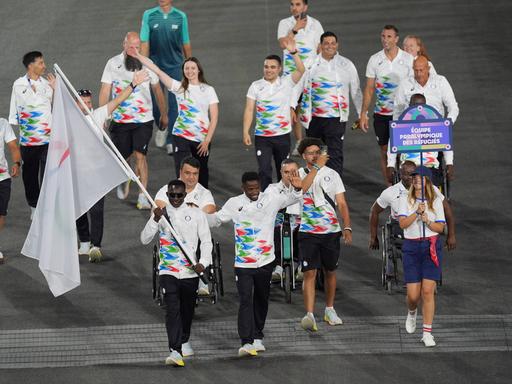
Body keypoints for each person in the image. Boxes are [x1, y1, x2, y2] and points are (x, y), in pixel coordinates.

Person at [208, 171, 302, 356]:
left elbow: (292, 199)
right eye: (250, 189)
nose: (254, 192)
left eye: (256, 188)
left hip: (266, 262)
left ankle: (257, 336)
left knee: (261, 299)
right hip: (243, 264)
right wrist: (197, 215)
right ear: (243, 188)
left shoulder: (271, 199)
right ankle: (246, 341)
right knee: (245, 300)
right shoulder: (234, 203)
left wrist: (298, 188)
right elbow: (217, 219)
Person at [76, 70, 150, 262]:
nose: (88, 104)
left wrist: (133, 85)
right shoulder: (71, 120)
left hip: (96, 173)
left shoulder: (98, 115)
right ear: (76, 103)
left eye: (89, 101)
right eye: (83, 101)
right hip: (77, 174)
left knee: (97, 210)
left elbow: (117, 101)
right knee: (79, 210)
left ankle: (96, 245)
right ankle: (84, 241)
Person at [141, 179, 212, 366]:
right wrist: (155, 219)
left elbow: (206, 242)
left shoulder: (196, 214)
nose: (175, 198)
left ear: (185, 194)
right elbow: (144, 239)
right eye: (172, 195)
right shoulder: (161, 214)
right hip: (168, 271)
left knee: (187, 310)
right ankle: (175, 350)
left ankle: (184, 338)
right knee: (172, 309)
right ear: (167, 195)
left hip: (190, 272)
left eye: (179, 195)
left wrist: (203, 263)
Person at [130, 51, 219, 188]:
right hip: (181, 135)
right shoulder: (179, 87)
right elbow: (158, 71)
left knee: (202, 175)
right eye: (186, 68)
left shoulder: (208, 90)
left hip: (202, 139)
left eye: (193, 68)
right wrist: (138, 56)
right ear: (183, 71)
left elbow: (214, 118)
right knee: (182, 172)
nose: (190, 71)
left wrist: (207, 140)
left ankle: (201, 206)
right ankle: (182, 204)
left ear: (199, 70)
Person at [99, 32, 167, 210]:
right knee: (123, 158)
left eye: (138, 47)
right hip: (120, 121)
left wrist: (164, 114)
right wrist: (103, 113)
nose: (134, 51)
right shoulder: (113, 63)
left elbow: (158, 90)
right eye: (131, 47)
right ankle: (125, 175)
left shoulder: (147, 64)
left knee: (141, 156)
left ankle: (143, 196)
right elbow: (105, 90)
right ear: (124, 44)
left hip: (143, 120)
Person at [296, 138, 352, 331]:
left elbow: (342, 203)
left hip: (330, 231)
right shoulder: (299, 174)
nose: (314, 155)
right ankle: (309, 314)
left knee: (330, 271)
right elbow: (302, 188)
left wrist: (347, 227)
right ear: (304, 156)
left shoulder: (333, 174)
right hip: (308, 231)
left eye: (317, 152)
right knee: (309, 273)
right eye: (310, 153)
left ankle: (329, 309)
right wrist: (317, 169)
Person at [294, 31, 362, 178]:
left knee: (335, 155)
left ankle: (335, 192)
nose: (330, 46)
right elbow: (298, 86)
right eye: (326, 43)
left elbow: (356, 91)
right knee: (313, 155)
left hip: (336, 118)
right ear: (321, 45)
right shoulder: (310, 64)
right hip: (314, 118)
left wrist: (362, 114)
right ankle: (314, 188)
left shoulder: (346, 64)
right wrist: (291, 107)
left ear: (337, 45)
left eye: (333, 43)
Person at [243, 39, 306, 191]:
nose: (268, 70)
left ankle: (283, 205)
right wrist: (245, 131)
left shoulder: (286, 82)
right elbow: (249, 109)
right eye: (266, 67)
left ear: (279, 69)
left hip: (282, 136)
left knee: (283, 171)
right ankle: (266, 203)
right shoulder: (256, 86)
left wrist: (293, 52)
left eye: (272, 67)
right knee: (264, 171)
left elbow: (301, 70)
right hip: (262, 137)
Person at [359, 25, 414, 186]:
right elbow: (369, 89)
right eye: (383, 36)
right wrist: (364, 113)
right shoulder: (375, 60)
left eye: (389, 37)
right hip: (382, 114)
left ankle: (407, 184)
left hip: (403, 114)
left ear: (396, 39)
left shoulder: (408, 60)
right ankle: (390, 187)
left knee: (402, 152)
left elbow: (412, 87)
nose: (385, 40)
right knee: (384, 151)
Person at [154, 155, 216, 295]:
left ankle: (201, 279)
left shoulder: (204, 193)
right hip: (172, 238)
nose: (191, 178)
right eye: (187, 173)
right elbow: (158, 207)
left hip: (194, 236)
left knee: (201, 237)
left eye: (195, 174)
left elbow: (210, 211)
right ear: (180, 172)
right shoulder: (167, 189)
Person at [398, 166, 445, 347]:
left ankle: (427, 332)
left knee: (427, 291)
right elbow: (403, 223)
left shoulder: (436, 201)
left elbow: (440, 228)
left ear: (428, 180)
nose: (416, 179)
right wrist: (416, 213)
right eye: (414, 177)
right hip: (411, 247)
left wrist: (428, 221)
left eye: (420, 177)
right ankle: (411, 312)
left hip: (431, 247)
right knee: (413, 295)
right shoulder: (405, 199)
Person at [391, 58, 459, 182]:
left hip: (434, 131)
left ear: (428, 68)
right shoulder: (405, 84)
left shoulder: (440, 82)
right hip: (409, 134)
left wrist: (445, 125)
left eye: (421, 70)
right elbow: (397, 110)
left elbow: (453, 107)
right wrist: (398, 125)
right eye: (416, 70)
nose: (419, 73)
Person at [369, 161, 456, 253]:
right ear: (400, 175)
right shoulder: (390, 193)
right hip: (401, 228)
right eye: (406, 174)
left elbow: (447, 209)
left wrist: (451, 235)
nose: (410, 177)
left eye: (413, 174)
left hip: (425, 226)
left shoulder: (431, 188)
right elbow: (374, 211)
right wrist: (373, 237)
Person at [140, 0, 192, 155]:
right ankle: (162, 126)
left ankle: (171, 139)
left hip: (175, 66)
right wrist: (144, 64)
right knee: (155, 104)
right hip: (155, 66)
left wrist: (190, 66)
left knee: (175, 103)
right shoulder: (149, 15)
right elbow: (144, 42)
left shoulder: (180, 16)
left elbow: (186, 43)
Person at [9, 51, 55, 219]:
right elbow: (20, 109)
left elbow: (54, 108)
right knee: (30, 176)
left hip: (48, 140)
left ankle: (47, 205)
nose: (44, 66)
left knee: (48, 174)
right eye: (41, 63)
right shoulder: (19, 85)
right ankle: (34, 206)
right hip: (28, 142)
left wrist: (55, 90)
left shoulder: (48, 84)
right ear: (31, 66)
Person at [277, 0, 324, 154]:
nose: (294, 8)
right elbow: (283, 44)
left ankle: (315, 143)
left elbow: (320, 48)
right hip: (292, 74)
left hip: (311, 74)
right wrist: (295, 29)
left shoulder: (316, 24)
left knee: (313, 106)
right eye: (292, 4)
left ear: (305, 7)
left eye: (298, 4)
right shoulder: (285, 23)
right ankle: (299, 143)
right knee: (294, 108)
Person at [266, 158, 302, 281]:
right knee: (276, 230)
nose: (290, 175)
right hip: (280, 222)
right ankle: (278, 267)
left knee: (306, 231)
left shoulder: (305, 187)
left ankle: (302, 266)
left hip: (299, 221)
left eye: (293, 171)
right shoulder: (272, 189)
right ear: (281, 172)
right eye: (286, 172)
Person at [0, 118, 21, 264]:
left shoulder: (2, 123)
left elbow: (13, 146)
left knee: (0, 213)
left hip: (2, 178)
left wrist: (17, 162)